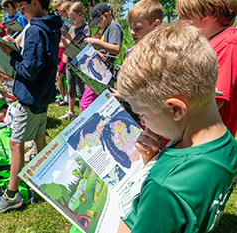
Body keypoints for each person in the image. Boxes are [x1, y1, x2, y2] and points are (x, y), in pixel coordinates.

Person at [115, 21, 237, 233]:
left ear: (176, 110)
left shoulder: (164, 189)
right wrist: (153, 160)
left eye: (142, 114)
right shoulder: (226, 145)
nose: (142, 122)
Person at [0, 0, 62, 212]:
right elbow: (41, 60)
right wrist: (17, 49)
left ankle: (12, 195)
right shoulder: (53, 24)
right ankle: (47, 176)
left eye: (22, 8)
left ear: (34, 3)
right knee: (39, 136)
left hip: (29, 98)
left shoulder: (35, 31)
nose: (22, 13)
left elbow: (28, 70)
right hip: (43, 95)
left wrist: (11, 54)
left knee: (15, 143)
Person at [176, 0, 237, 137]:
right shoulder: (205, 43)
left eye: (187, 16)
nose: (182, 22)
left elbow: (215, 99)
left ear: (211, 13)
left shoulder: (228, 42)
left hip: (207, 142)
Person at [79, 3, 122, 112]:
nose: (97, 25)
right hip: (100, 71)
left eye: (98, 21)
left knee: (86, 102)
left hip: (105, 73)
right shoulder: (106, 28)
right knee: (99, 103)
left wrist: (96, 42)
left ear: (106, 16)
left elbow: (116, 49)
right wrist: (97, 42)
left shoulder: (114, 26)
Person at [58, 2, 90, 120]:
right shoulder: (71, 28)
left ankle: (83, 114)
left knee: (80, 90)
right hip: (70, 61)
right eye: (70, 18)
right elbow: (68, 46)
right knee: (71, 88)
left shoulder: (86, 29)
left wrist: (70, 38)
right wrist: (63, 37)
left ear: (81, 15)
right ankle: (71, 112)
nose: (71, 20)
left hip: (81, 63)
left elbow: (83, 47)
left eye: (74, 18)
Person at [55, 0, 72, 108]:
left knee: (61, 77)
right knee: (60, 77)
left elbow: (68, 43)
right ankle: (62, 95)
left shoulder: (70, 25)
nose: (60, 13)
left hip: (66, 56)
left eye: (62, 11)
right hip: (62, 55)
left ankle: (65, 96)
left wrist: (57, 44)